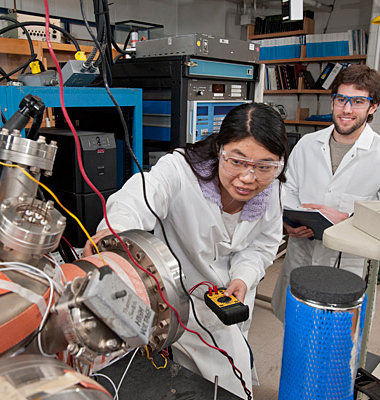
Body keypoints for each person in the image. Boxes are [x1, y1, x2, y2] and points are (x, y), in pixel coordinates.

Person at [83, 103, 289, 398]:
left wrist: (244, 276)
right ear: (219, 149)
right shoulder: (180, 170)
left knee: (228, 372)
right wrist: (114, 233)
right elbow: (142, 193)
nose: (248, 178)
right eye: (237, 161)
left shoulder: (272, 188)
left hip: (230, 300)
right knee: (196, 377)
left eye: (264, 166)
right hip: (181, 298)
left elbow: (263, 244)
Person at [271, 64, 380, 322]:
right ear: (333, 101)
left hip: (347, 262)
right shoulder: (308, 144)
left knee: (339, 338)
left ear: (373, 107)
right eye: (341, 99)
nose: (347, 109)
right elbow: (286, 190)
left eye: (358, 101)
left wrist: (350, 221)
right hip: (301, 252)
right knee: (296, 329)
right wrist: (288, 223)